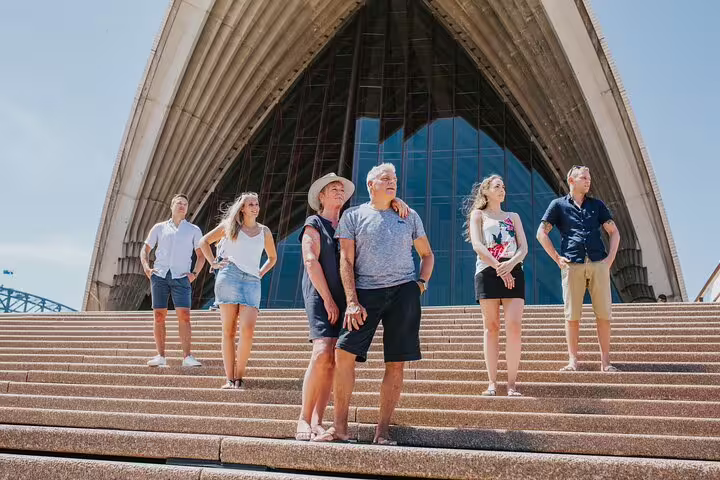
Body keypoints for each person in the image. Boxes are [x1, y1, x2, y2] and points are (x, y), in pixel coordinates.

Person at [314, 163, 434, 445]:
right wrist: (352, 301)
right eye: (386, 179)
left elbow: (427, 254)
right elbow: (346, 260)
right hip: (365, 293)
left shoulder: (409, 215)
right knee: (344, 355)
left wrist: (421, 284)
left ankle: (383, 431)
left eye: (395, 178)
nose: (392, 183)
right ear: (371, 185)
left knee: (396, 363)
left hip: (404, 292)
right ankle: (340, 428)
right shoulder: (353, 216)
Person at [296, 173, 409, 441]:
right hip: (321, 295)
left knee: (335, 358)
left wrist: (395, 201)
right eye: (331, 189)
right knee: (322, 351)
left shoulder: (351, 219)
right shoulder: (314, 223)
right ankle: (303, 418)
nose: (338, 192)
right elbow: (311, 261)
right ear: (320, 197)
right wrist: (327, 299)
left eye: (340, 189)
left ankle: (318, 420)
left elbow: (377, 206)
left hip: (348, 298)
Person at [536, 165, 620, 372]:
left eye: (589, 177)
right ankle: (573, 360)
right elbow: (541, 233)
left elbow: (614, 232)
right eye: (583, 177)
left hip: (597, 262)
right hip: (572, 264)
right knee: (572, 315)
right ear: (571, 181)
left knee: (604, 314)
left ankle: (606, 362)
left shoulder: (597, 205)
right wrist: (557, 258)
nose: (588, 181)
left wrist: (609, 259)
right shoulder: (558, 206)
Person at [199, 192, 277, 389]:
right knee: (229, 330)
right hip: (229, 277)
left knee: (248, 330)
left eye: (256, 204)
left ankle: (239, 377)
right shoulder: (229, 226)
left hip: (252, 281)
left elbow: (272, 257)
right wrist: (214, 263)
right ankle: (229, 378)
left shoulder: (264, 231)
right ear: (242, 208)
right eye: (250, 204)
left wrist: (259, 273)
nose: (254, 207)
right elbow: (204, 242)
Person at [466, 175, 528, 396]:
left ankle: (511, 384)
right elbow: (477, 245)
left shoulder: (513, 216)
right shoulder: (478, 215)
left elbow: (523, 248)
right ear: (486, 191)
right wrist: (499, 268)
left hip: (514, 271)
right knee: (491, 327)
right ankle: (492, 382)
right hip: (487, 271)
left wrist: (509, 266)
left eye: (504, 186)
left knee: (514, 325)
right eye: (497, 186)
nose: (502, 189)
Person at [141, 193, 205, 367]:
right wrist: (147, 267)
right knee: (159, 316)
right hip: (160, 275)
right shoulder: (159, 228)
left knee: (184, 316)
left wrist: (194, 274)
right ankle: (160, 356)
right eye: (179, 203)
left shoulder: (193, 230)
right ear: (172, 206)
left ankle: (187, 357)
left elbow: (201, 255)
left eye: (185, 203)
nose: (182, 206)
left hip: (181, 277)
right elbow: (145, 249)